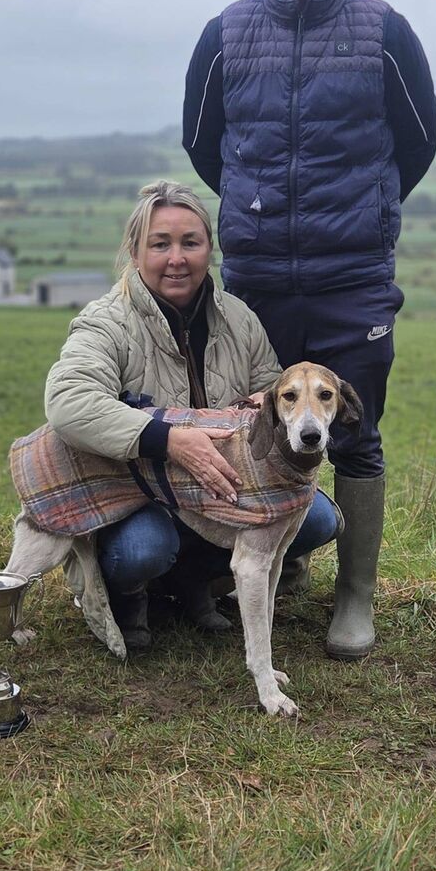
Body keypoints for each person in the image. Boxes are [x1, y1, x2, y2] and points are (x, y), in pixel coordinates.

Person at [183, 0, 436, 662]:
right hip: (257, 282)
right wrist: (262, 211)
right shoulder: (225, 33)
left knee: (356, 437)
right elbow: (203, 141)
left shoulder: (385, 30)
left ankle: (353, 601)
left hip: (353, 279)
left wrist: (359, 214)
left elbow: (419, 140)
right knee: (249, 429)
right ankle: (238, 569)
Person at [44, 180, 341, 652]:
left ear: (209, 250)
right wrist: (168, 438)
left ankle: (198, 585)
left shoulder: (239, 318)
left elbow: (271, 391)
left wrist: (261, 403)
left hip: (220, 497)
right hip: (138, 498)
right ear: (135, 251)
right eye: (160, 244)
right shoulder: (107, 321)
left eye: (190, 243)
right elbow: (67, 401)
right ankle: (130, 596)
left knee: (319, 518)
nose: (176, 258)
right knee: (144, 549)